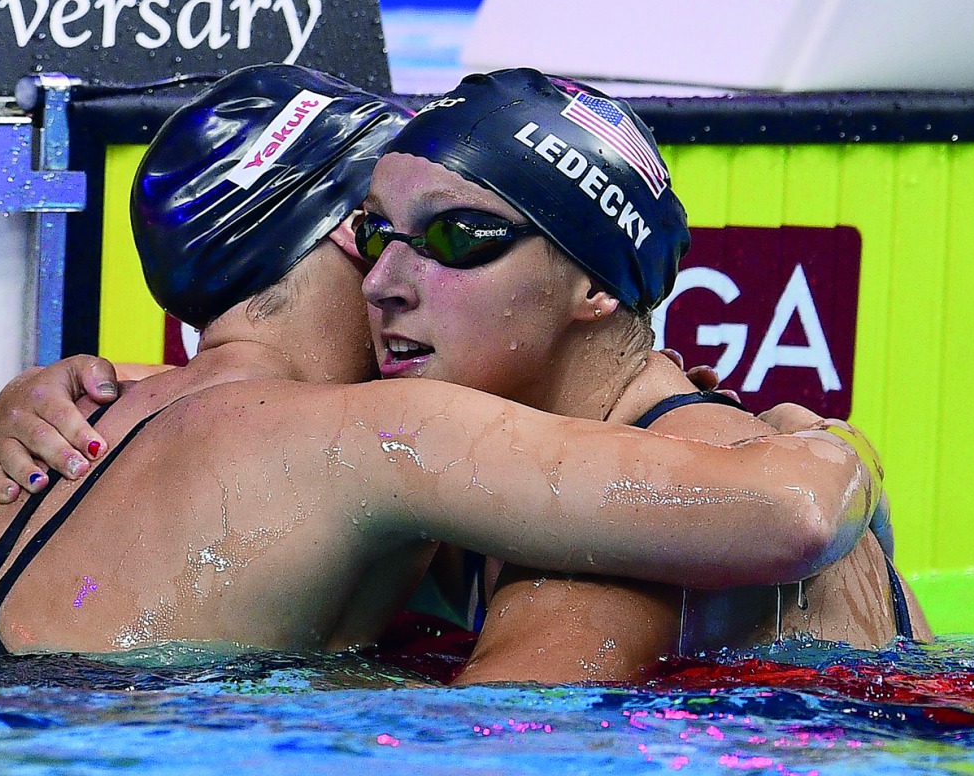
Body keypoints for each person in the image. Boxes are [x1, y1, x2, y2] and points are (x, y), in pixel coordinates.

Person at [0, 64, 882, 659]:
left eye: (455, 235)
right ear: (344, 244)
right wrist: (842, 452)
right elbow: (792, 507)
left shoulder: (98, 422)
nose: (393, 275)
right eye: (379, 229)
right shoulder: (385, 438)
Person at [349, 68, 930, 684]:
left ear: (596, 283)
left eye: (456, 237)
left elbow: (479, 749)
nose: (380, 283)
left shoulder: (644, 530)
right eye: (373, 232)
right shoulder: (503, 485)